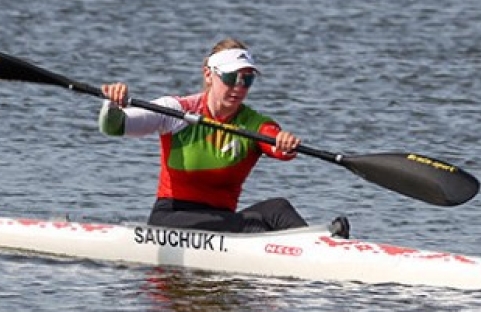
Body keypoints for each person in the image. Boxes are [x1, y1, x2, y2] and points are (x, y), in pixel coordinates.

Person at [98, 38, 348, 237]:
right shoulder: (176, 110)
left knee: (277, 208)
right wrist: (112, 105)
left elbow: (277, 147)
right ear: (209, 75)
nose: (239, 87)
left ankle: (324, 249)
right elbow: (116, 126)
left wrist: (286, 144)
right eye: (231, 78)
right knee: (255, 228)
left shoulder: (253, 123)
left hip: (224, 221)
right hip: (172, 219)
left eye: (247, 79)